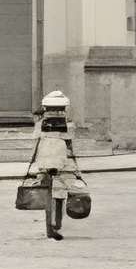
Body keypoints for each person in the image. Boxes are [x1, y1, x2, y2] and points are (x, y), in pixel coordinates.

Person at [27, 89, 83, 240]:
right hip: (62, 163)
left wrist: (33, 161)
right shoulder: (69, 125)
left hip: (44, 162)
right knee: (59, 194)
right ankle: (56, 224)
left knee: (48, 194)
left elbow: (35, 144)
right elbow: (70, 146)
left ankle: (50, 227)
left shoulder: (40, 125)